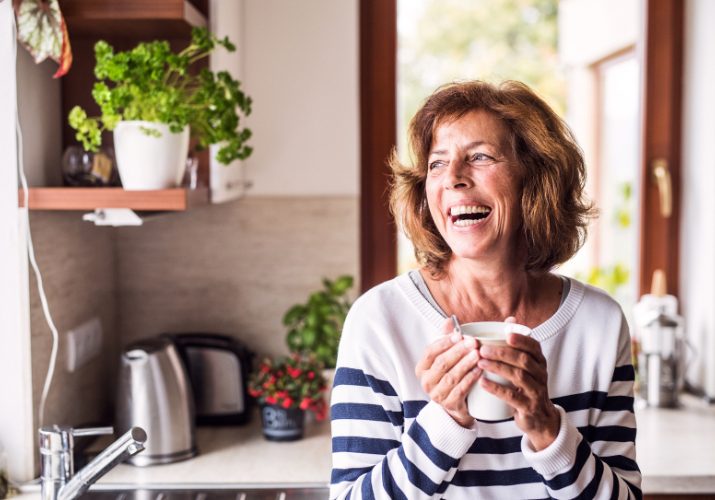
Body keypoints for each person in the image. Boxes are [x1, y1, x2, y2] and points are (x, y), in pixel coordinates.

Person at [330, 80, 641, 499]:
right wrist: (444, 422)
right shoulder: (379, 321)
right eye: (438, 163)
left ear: (534, 178)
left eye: (479, 157)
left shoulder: (598, 325)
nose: (454, 178)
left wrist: (548, 430)